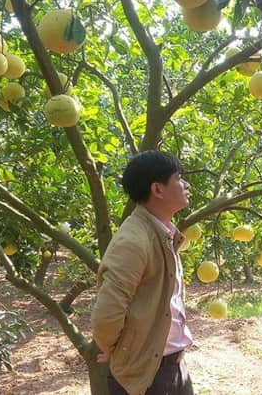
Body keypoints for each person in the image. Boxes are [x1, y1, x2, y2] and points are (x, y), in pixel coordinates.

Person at [91, 150, 194, 395]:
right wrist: (119, 351)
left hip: (172, 365)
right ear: (157, 189)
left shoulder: (163, 233)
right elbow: (107, 314)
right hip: (148, 376)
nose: (186, 184)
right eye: (179, 178)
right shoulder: (134, 240)